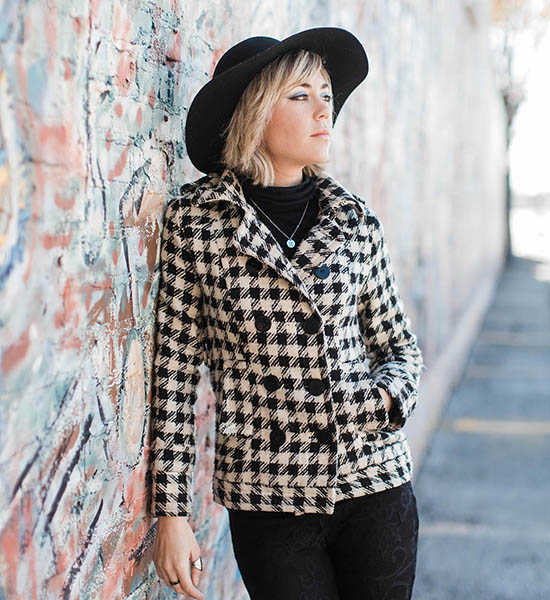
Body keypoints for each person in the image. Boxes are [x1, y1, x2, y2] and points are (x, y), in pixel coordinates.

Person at [149, 26, 426, 600]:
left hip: (375, 486)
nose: (324, 107)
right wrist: (171, 513)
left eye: (326, 93)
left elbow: (399, 347)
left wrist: (381, 401)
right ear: (254, 111)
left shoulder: (355, 222)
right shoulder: (196, 223)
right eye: (301, 94)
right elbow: (174, 371)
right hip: (267, 502)